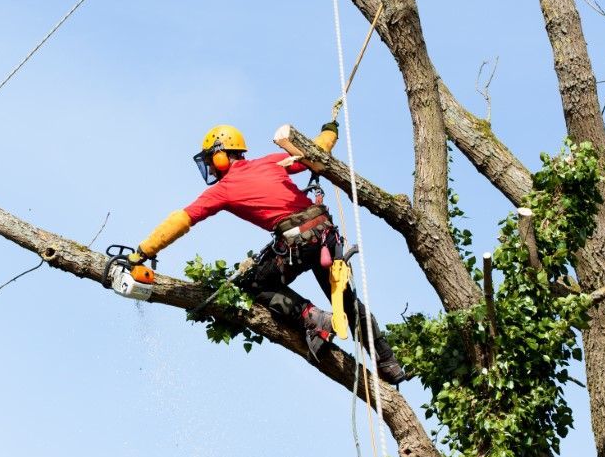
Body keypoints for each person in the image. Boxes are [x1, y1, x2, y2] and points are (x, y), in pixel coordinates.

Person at [128, 124, 407, 384]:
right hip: (324, 234)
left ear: (221, 155)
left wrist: (143, 251)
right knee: (347, 302)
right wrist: (329, 132)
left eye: (211, 161)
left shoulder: (224, 190)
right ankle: (388, 363)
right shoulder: (270, 162)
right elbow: (315, 150)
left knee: (254, 285)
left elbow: (182, 219)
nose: (211, 169)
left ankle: (314, 318)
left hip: (297, 241)